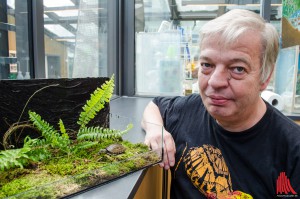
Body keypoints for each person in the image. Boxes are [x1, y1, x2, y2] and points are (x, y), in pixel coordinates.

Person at [141, 9, 300, 199]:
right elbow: (155, 106)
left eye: (238, 69)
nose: (215, 82)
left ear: (265, 77)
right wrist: (155, 130)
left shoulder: (292, 150)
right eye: (207, 65)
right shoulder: (189, 109)